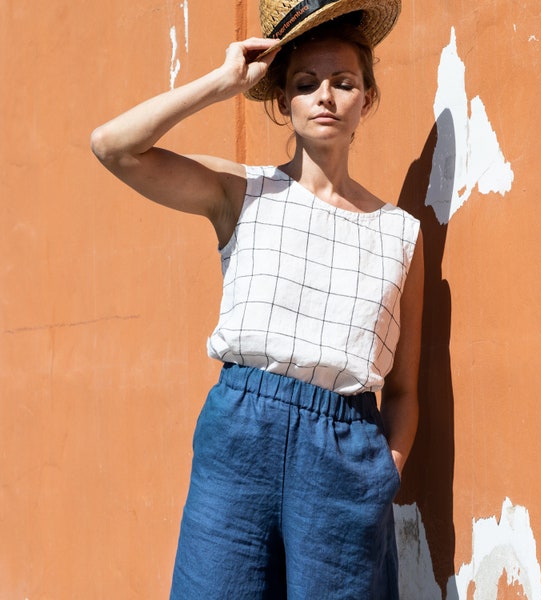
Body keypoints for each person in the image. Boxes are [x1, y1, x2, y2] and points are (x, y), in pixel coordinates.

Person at [91, 0, 423, 598]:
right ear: (282, 103)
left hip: (346, 456)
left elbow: (402, 391)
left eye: (344, 83)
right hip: (241, 437)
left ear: (366, 100)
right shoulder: (242, 191)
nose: (325, 96)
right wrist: (222, 83)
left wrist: (383, 476)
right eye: (305, 84)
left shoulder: (401, 233)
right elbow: (113, 146)